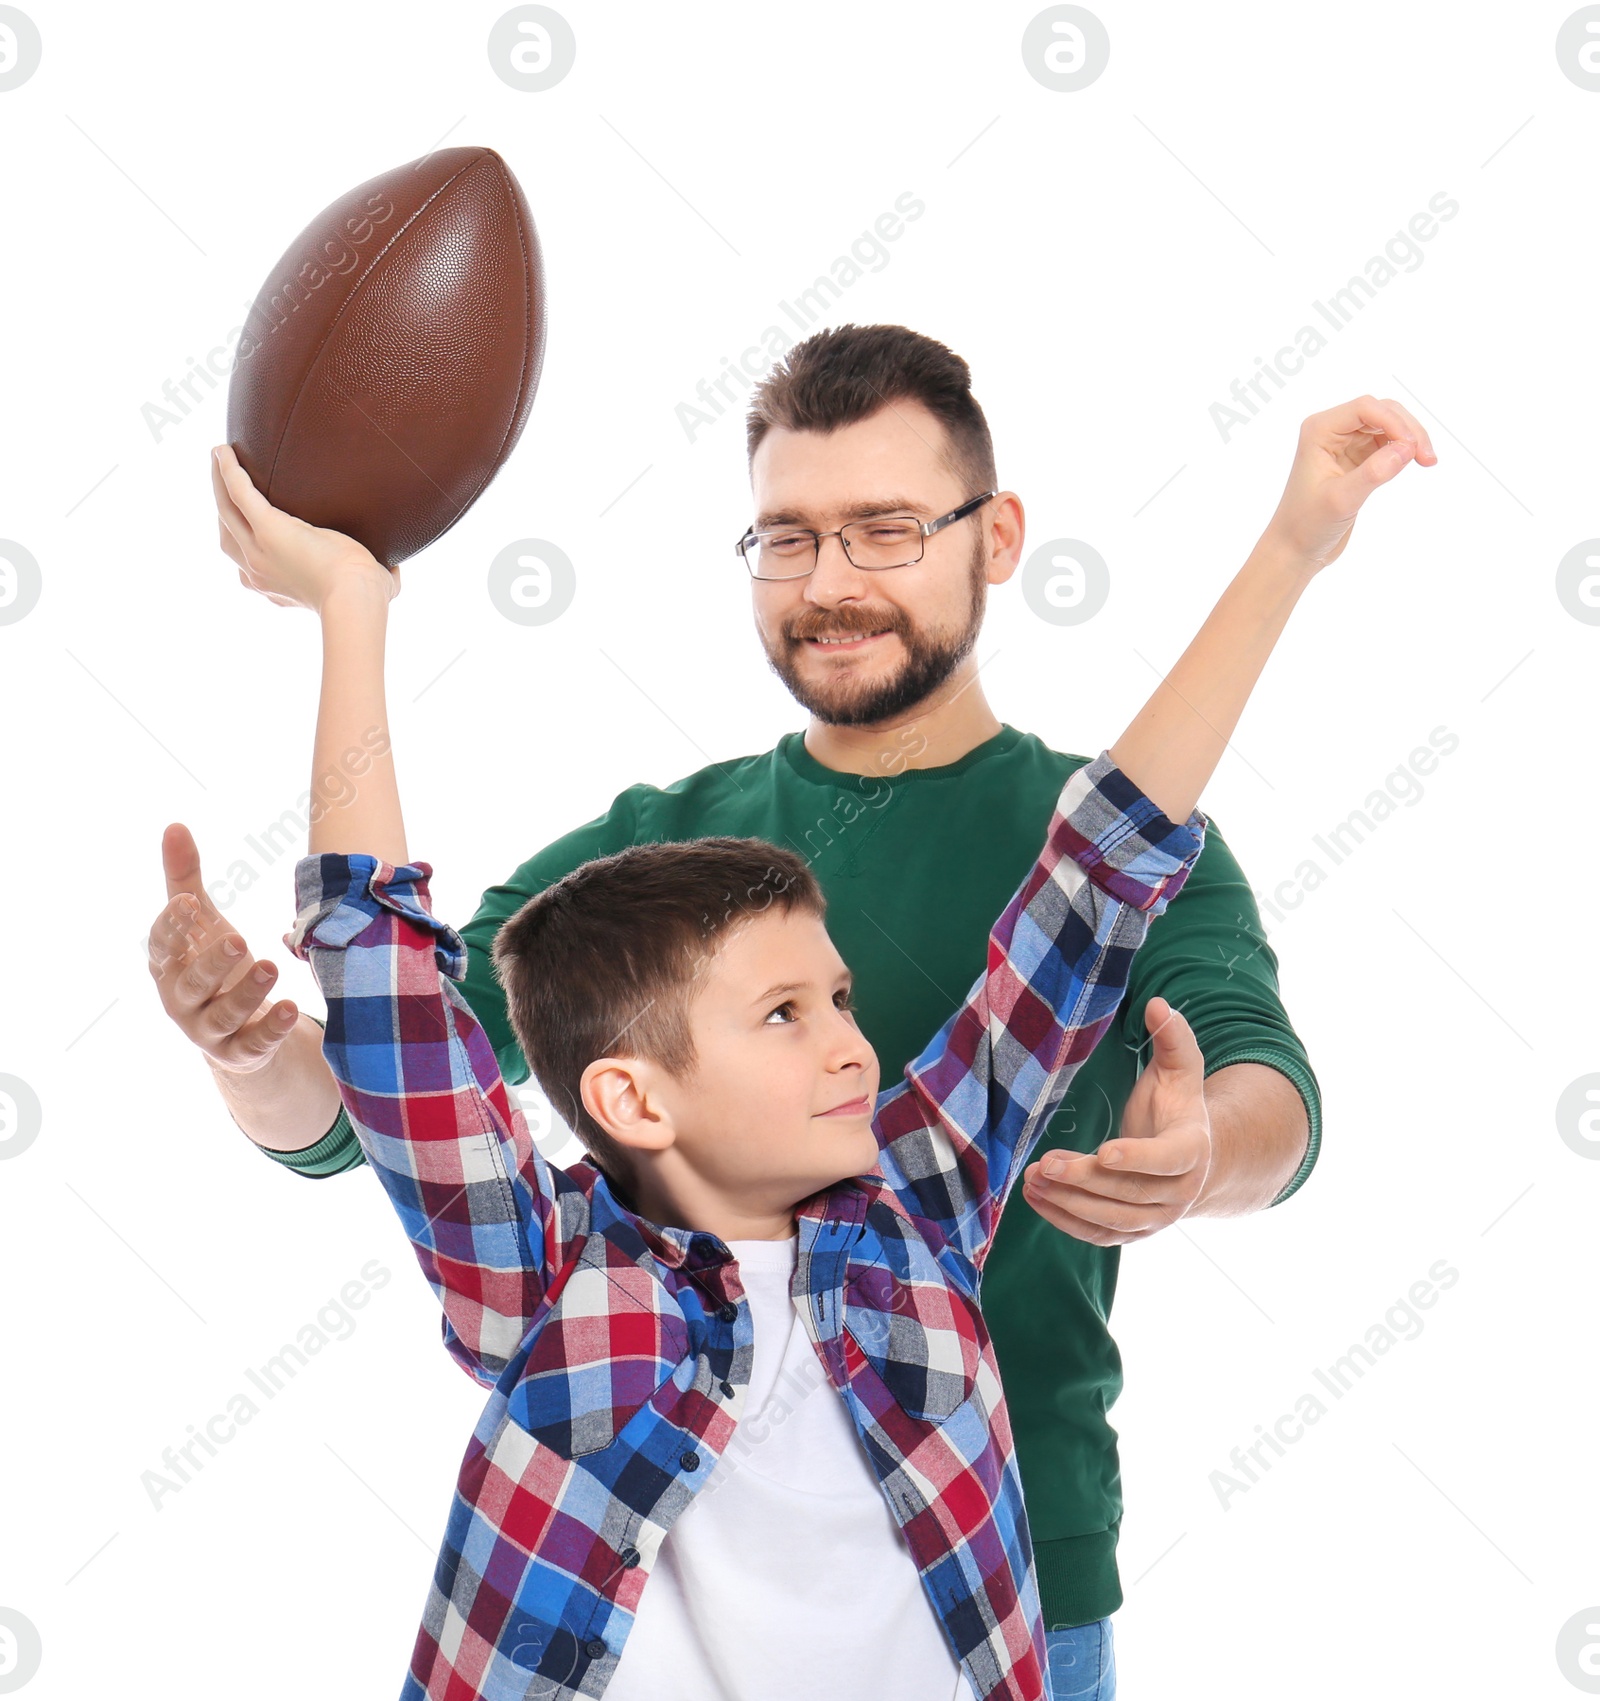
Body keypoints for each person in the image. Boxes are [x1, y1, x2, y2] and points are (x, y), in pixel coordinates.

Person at [149, 326, 1434, 1697]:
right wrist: (261, 1049)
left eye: (884, 529)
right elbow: (392, 1048)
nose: (855, 1041)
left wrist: (1292, 545)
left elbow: (1119, 882)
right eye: (788, 537)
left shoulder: (920, 1201)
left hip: (1029, 1582)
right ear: (631, 1096)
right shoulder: (564, 1262)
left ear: (994, 536)